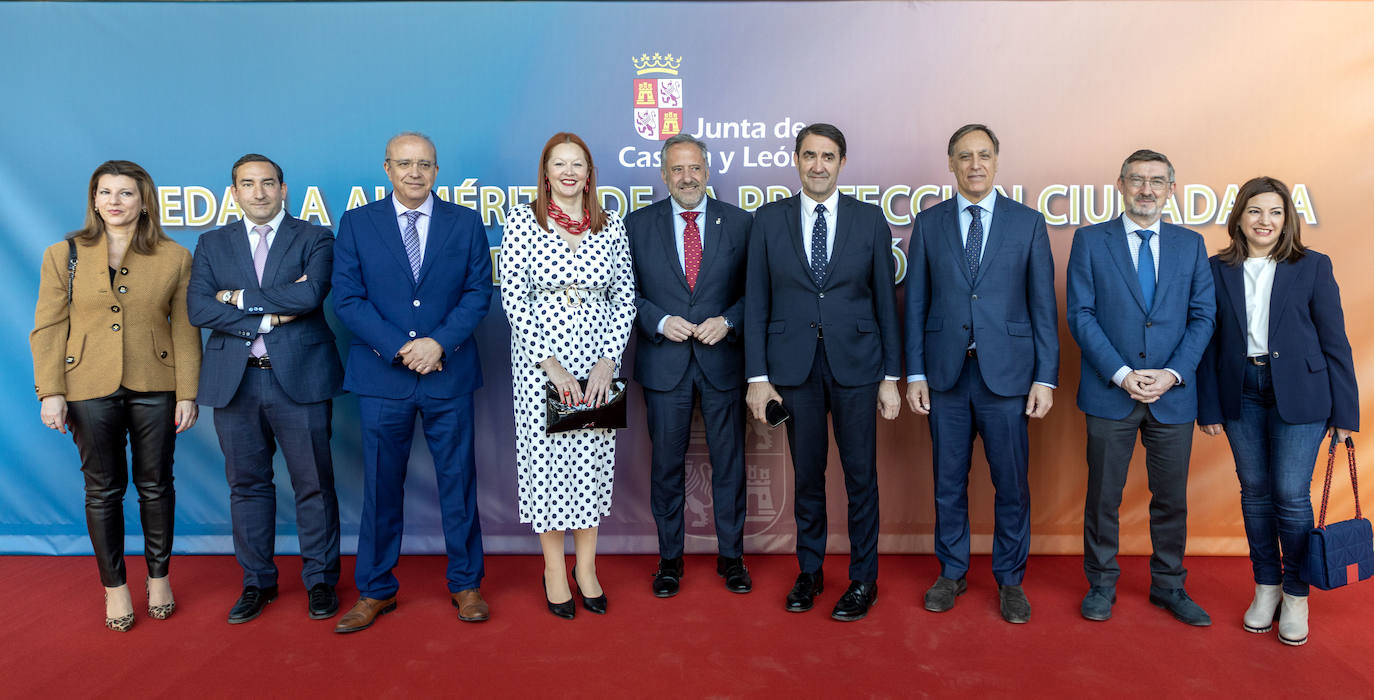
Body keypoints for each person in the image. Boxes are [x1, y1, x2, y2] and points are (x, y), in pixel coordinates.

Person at [331, 132, 494, 632]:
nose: (415, 173)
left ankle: (466, 585)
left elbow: (477, 291)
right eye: (405, 164)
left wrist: (437, 343)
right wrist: (404, 347)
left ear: (437, 171)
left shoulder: (465, 223)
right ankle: (376, 589)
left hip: (448, 373)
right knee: (380, 488)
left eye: (425, 164)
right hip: (385, 378)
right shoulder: (358, 224)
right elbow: (348, 298)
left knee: (459, 485)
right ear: (387, 168)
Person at [30, 160, 201, 631]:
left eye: (126, 193)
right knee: (103, 491)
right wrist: (52, 392)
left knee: (155, 485)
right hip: (86, 384)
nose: (114, 202)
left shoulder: (175, 256)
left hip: (156, 383)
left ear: (144, 201)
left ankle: (160, 578)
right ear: (93, 199)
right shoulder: (61, 253)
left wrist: (187, 392)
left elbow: (186, 331)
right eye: (105, 192)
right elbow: (48, 328)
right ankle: (116, 588)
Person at [744, 123, 901, 622]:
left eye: (828, 157)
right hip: (794, 369)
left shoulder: (870, 220)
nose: (818, 165)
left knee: (861, 479)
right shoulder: (767, 221)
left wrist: (891, 377)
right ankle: (809, 571)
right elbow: (756, 303)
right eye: (809, 155)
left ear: (842, 163)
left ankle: (862, 579)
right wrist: (757, 376)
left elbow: (885, 302)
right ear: (796, 159)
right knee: (808, 476)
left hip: (858, 367)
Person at [903, 124, 1058, 623]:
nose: (975, 165)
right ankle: (951, 572)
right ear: (950, 163)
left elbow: (1042, 308)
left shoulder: (1028, 223)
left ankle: (1010, 580)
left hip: (1009, 378)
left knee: (1011, 483)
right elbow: (916, 306)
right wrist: (915, 374)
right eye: (964, 156)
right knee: (949, 482)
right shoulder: (928, 224)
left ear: (997, 161)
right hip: (946, 377)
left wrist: (1045, 378)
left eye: (984, 155)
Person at [1196, 176, 1358, 646]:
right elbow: (1207, 344)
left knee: (1290, 492)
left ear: (1287, 219)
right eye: (1255, 211)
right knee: (1255, 491)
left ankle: (1296, 593)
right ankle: (1265, 586)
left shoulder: (1313, 266)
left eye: (1275, 212)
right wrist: (1208, 404)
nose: (1264, 221)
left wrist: (1346, 414)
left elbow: (1335, 342)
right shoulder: (1215, 268)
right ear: (1239, 217)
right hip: (1239, 391)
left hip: (1302, 393)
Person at [186, 154, 344, 624]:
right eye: (248, 184)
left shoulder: (315, 237)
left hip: (300, 376)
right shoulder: (212, 243)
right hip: (236, 382)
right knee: (247, 486)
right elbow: (198, 308)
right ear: (234, 192)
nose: (259, 192)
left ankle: (320, 581)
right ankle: (258, 582)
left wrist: (234, 298)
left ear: (283, 189)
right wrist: (271, 315)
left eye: (268, 183)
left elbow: (309, 295)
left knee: (314, 484)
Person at [1066, 149, 1216, 626]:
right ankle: (1101, 584)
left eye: (1156, 181)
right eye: (1137, 180)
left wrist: (1172, 374)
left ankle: (1169, 586)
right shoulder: (1090, 241)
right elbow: (1081, 315)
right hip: (1111, 391)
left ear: (1172, 188)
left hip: (1173, 395)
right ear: (1120, 184)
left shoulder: (1191, 245)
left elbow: (1203, 316)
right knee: (1103, 497)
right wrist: (1122, 373)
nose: (1146, 189)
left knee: (1171, 499)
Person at [500, 132, 636, 619]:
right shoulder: (523, 220)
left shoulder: (609, 225)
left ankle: (587, 568)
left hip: (597, 365)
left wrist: (607, 361)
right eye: (560, 164)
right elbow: (515, 296)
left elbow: (624, 296)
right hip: (541, 365)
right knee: (548, 468)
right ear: (546, 172)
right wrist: (550, 365)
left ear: (589, 171)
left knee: (590, 463)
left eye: (578, 163)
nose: (569, 172)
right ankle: (554, 569)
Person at [626, 134, 753, 598]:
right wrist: (657, 319)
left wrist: (730, 321)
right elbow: (624, 292)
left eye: (695, 167)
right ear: (663, 175)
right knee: (665, 467)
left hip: (723, 362)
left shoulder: (741, 223)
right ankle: (669, 560)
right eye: (677, 169)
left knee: (730, 466)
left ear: (707, 169)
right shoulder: (636, 225)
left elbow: (755, 293)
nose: (687, 177)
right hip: (665, 364)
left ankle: (732, 557)